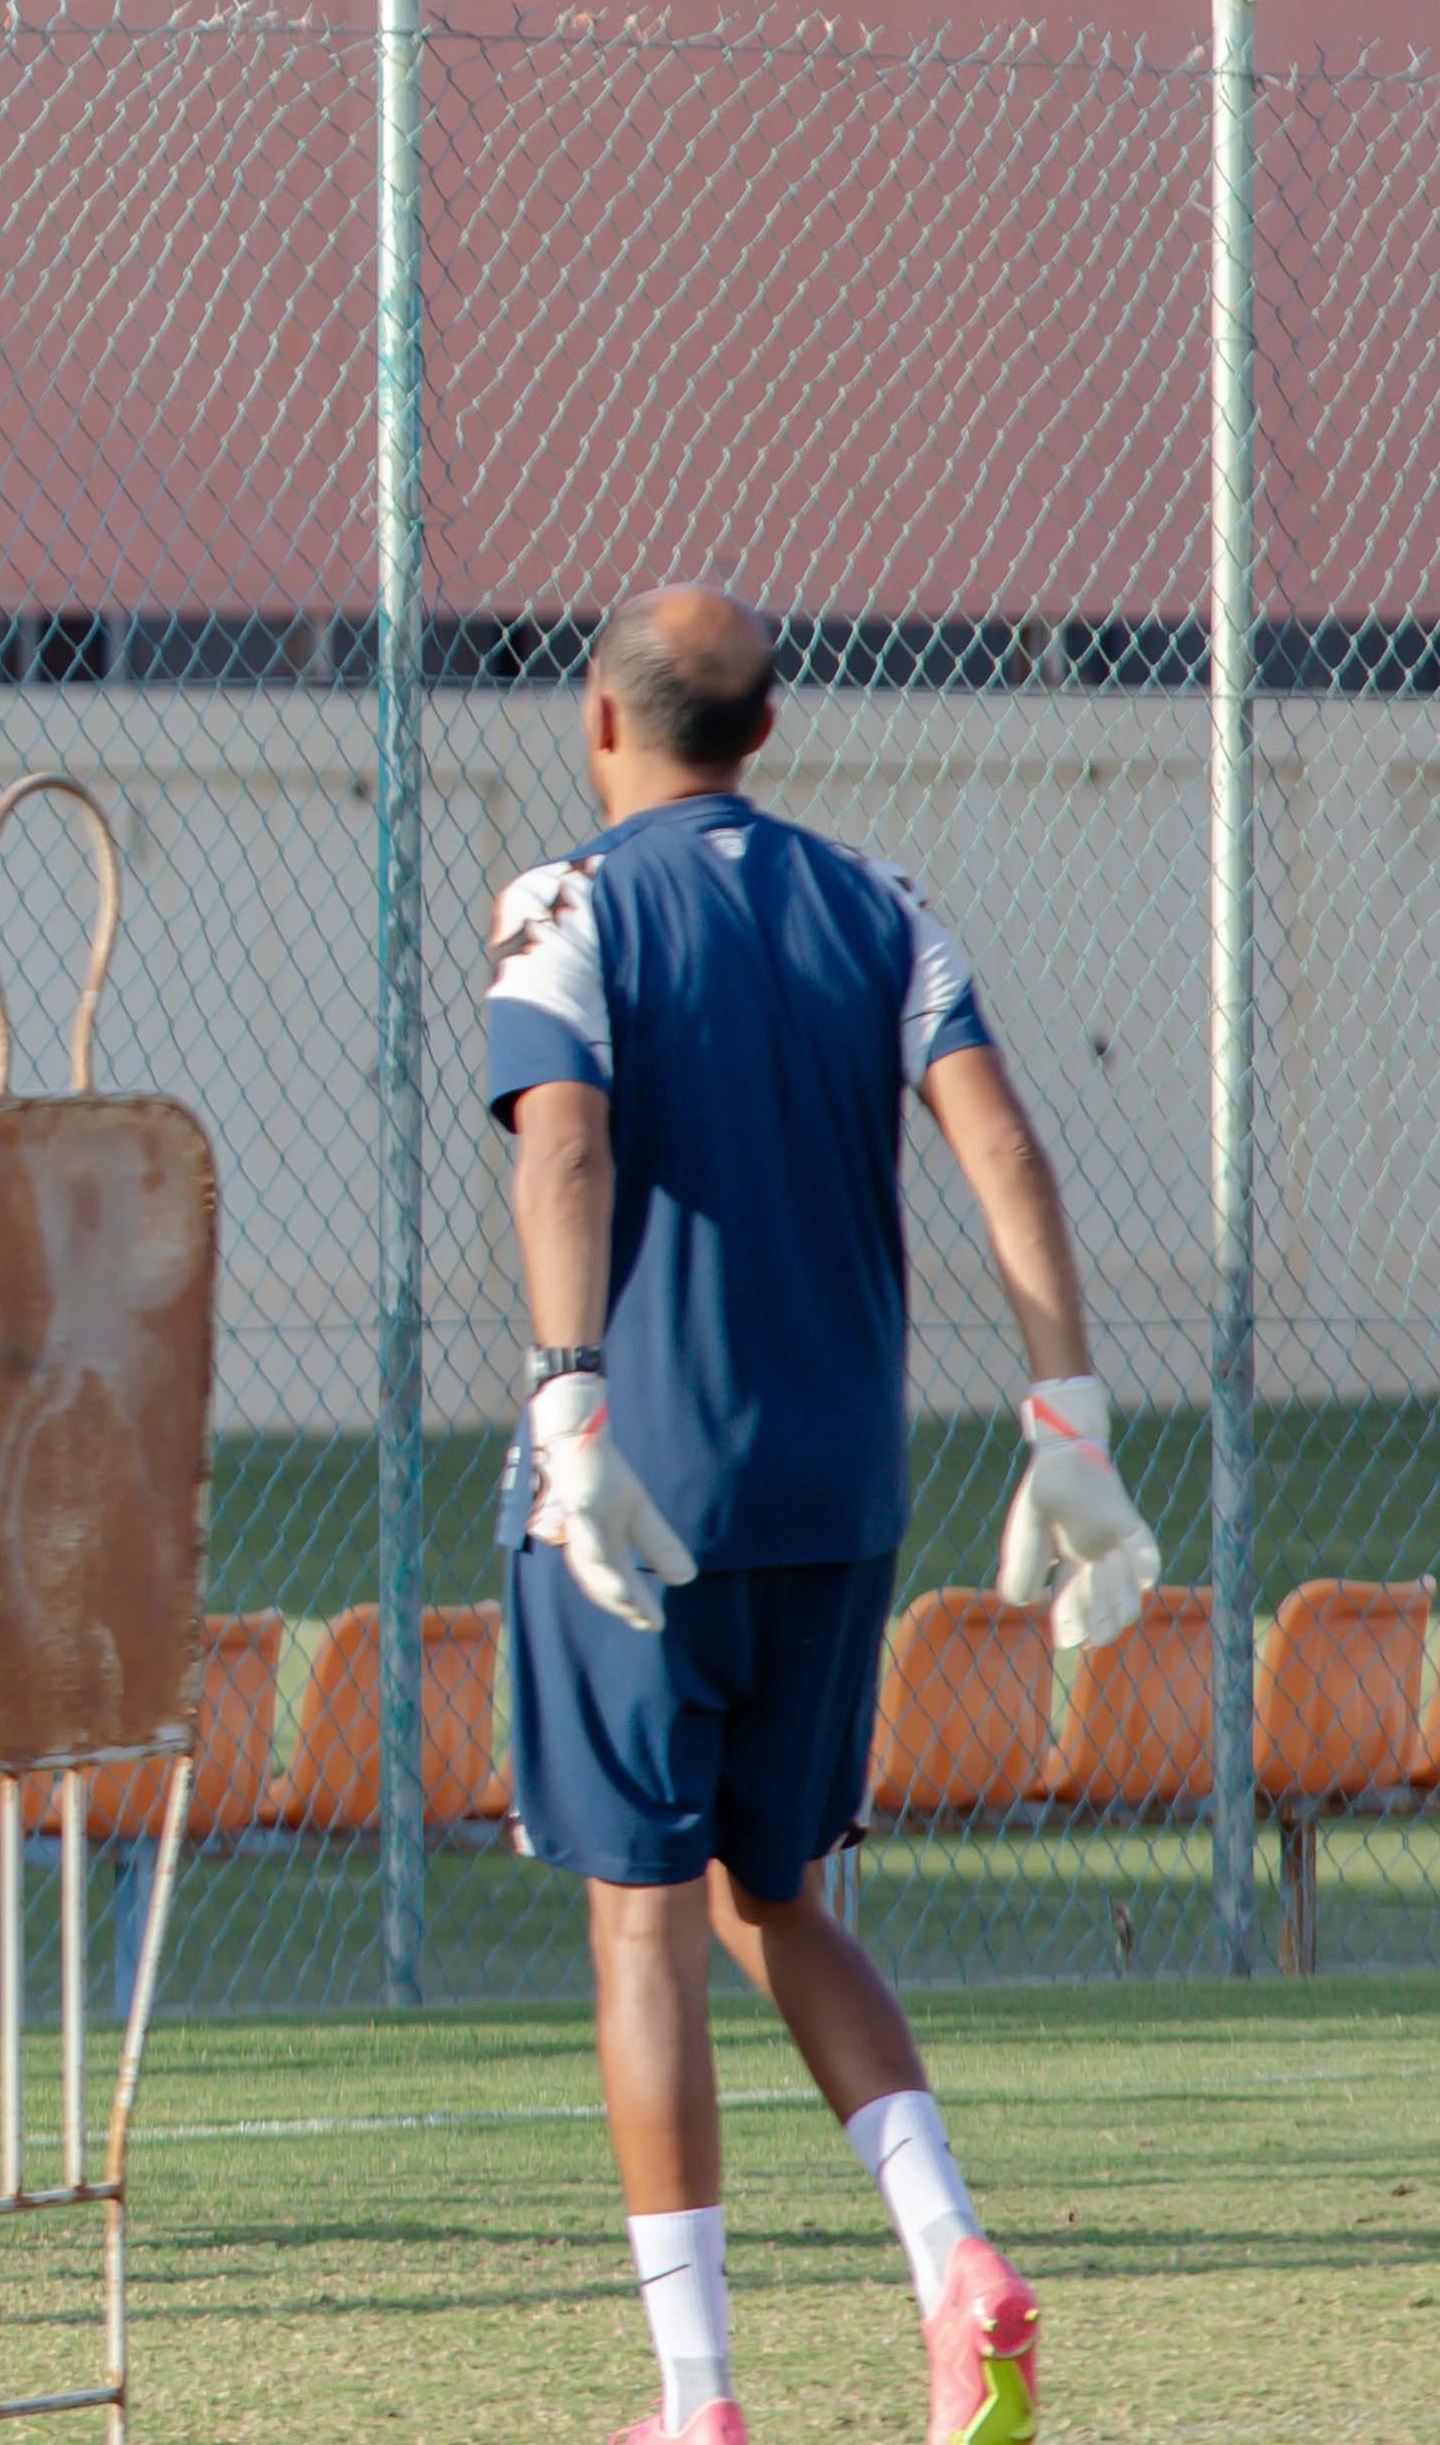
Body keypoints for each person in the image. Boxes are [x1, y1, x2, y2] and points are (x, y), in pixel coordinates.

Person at [483, 586, 1166, 2445]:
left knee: (643, 1918)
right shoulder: (879, 901)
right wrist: (1068, 1423)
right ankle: (951, 2260)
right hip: (834, 1487)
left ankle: (694, 2398)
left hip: (635, 1479)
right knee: (769, 1887)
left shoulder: (565, 901)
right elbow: (1002, 1141)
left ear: (594, 720)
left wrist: (566, 1398)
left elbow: (560, 1138)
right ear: (763, 733)